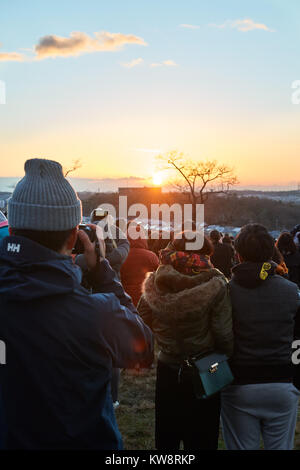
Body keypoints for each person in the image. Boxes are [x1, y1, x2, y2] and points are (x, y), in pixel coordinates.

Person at [0, 158, 153, 450]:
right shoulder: (97, 313)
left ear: (12, 230)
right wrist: (102, 274)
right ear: (74, 236)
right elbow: (144, 349)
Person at [138, 231, 233, 450]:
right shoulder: (216, 281)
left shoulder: (156, 280)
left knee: (167, 435)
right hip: (207, 365)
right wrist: (225, 355)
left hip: (168, 364)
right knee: (204, 435)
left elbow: (142, 319)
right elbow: (223, 331)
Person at [221, 223, 300, 450]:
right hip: (282, 383)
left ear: (237, 254)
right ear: (270, 252)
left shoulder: (227, 291)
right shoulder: (291, 291)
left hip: (239, 383)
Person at [121, 223, 159, 307]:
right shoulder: (151, 256)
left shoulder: (122, 255)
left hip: (124, 299)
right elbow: (159, 277)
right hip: (145, 299)